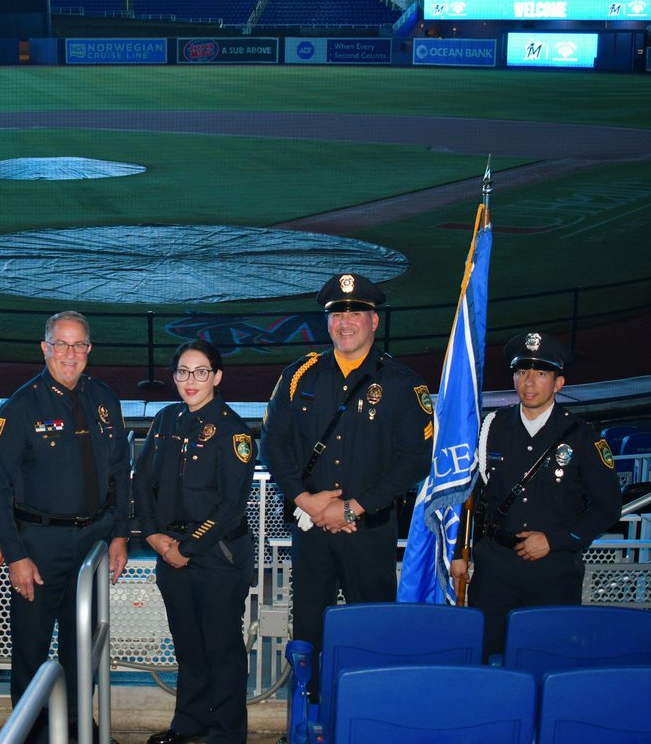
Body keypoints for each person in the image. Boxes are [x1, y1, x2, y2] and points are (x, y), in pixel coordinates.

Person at [261, 274, 434, 696]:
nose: (346, 321)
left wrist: (352, 508)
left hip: (369, 534)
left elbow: (416, 459)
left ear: (375, 321)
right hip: (311, 531)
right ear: (328, 321)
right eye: (338, 312)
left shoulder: (403, 384)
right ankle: (309, 715)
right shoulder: (299, 375)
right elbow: (272, 445)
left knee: (372, 632)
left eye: (356, 312)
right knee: (308, 635)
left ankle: (367, 714)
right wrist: (308, 501)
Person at [0, 310, 131, 739]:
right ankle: (29, 733)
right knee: (30, 651)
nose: (71, 354)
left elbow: (120, 474)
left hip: (93, 544)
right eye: (62, 344)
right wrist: (16, 556)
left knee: (82, 648)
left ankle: (75, 727)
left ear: (89, 350)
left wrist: (120, 534)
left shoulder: (106, 400)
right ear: (45, 349)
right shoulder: (19, 407)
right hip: (39, 546)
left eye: (79, 344)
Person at [450, 331, 621, 660]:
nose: (529, 382)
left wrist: (555, 540)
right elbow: (470, 496)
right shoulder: (490, 428)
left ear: (558, 383)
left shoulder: (582, 436)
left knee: (548, 658)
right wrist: (460, 551)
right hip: (494, 569)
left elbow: (608, 506)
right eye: (521, 372)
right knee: (486, 659)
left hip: (553, 572)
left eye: (540, 373)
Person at [133, 340, 254, 744]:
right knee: (187, 647)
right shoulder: (167, 421)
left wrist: (186, 549)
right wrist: (153, 534)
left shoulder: (234, 430)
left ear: (217, 377)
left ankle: (227, 734)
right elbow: (142, 482)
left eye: (201, 371)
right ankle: (189, 722)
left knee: (222, 651)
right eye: (183, 371)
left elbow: (231, 506)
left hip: (216, 557)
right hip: (170, 552)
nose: (191, 380)